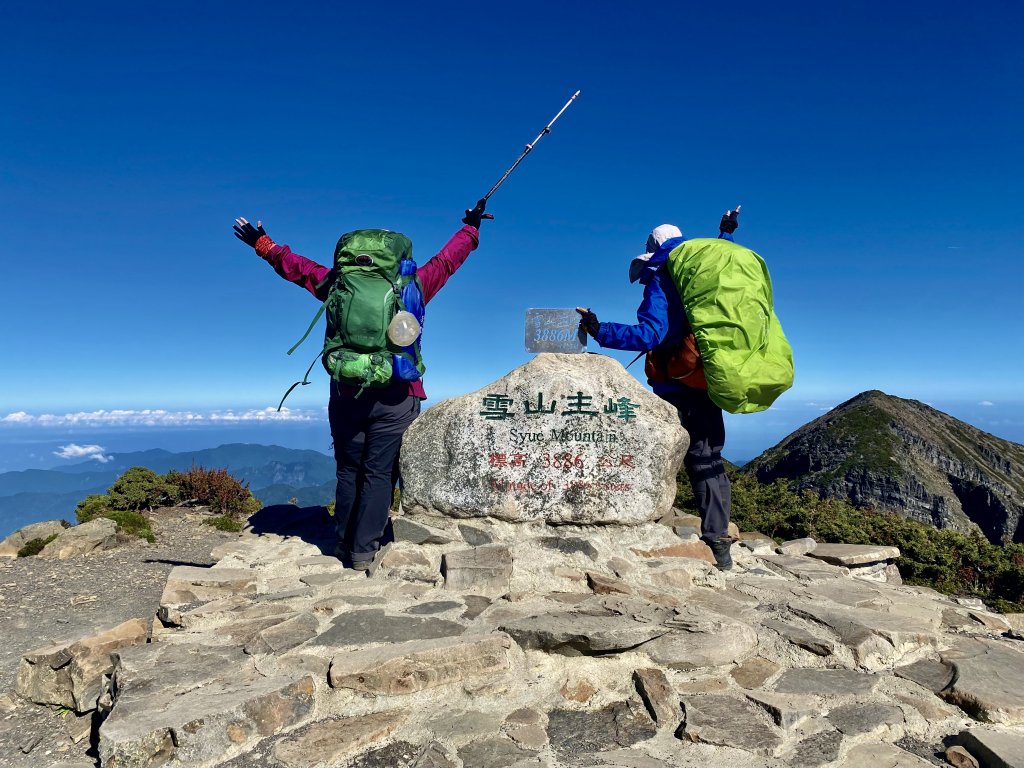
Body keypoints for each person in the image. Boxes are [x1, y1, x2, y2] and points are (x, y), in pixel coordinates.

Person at [233, 200, 493, 570]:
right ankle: (362, 552)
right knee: (379, 473)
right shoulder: (415, 285)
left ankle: (342, 543)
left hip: (345, 392)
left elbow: (297, 269)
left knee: (348, 469)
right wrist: (471, 228)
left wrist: (263, 244)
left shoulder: (337, 284)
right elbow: (449, 260)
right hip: (396, 395)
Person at [576, 209, 740, 570]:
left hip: (672, 385)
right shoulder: (709, 268)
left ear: (653, 251)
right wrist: (726, 232)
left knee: (655, 453)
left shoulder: (662, 277)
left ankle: (639, 523)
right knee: (708, 459)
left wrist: (600, 329)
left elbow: (650, 334)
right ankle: (719, 544)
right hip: (707, 377)